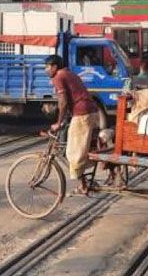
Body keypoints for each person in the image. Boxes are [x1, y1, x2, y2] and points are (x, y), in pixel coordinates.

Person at [45, 55, 99, 195]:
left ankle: (83, 185)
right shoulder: (69, 73)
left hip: (82, 114)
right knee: (80, 149)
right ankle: (84, 182)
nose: (46, 70)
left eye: (48, 67)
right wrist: (64, 120)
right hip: (89, 111)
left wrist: (58, 122)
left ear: (55, 67)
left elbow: (62, 102)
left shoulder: (58, 76)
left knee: (72, 152)